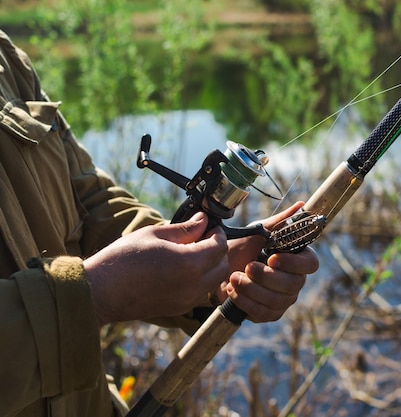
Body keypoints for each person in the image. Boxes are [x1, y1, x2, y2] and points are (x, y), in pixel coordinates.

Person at [0, 29, 319, 417]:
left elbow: (87, 196)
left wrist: (211, 266)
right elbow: (94, 285)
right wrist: (95, 295)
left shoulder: (7, 58)